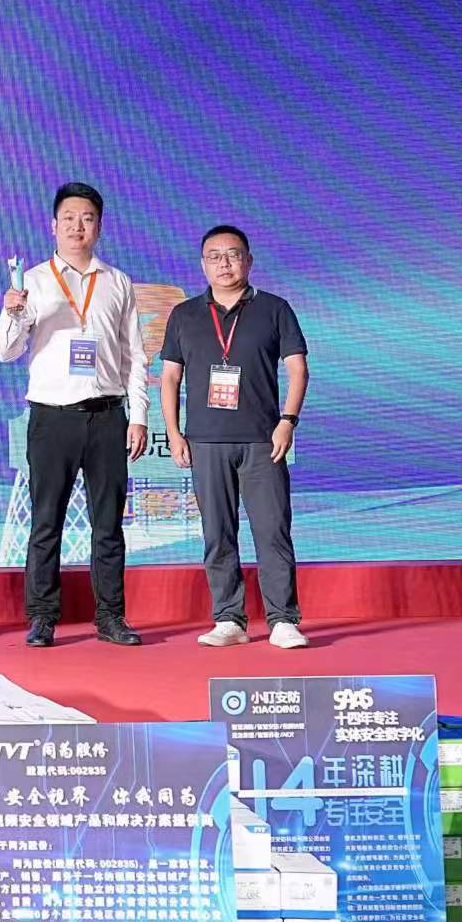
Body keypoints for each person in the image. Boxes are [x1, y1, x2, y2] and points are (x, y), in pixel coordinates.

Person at [0, 182, 149, 648]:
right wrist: (13, 313)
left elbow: (134, 356)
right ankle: (42, 617)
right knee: (46, 523)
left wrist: (138, 416)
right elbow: (5, 351)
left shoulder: (117, 282)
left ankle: (111, 617)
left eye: (87, 218)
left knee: (109, 525)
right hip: (51, 418)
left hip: (106, 416)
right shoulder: (32, 281)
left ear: (99, 226)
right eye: (69, 218)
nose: (77, 226)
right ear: (52, 225)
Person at [159, 225, 309, 649]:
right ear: (202, 264)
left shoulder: (275, 309)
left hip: (263, 440)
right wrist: (174, 433)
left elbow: (298, 368)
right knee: (217, 532)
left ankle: (283, 619)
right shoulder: (184, 314)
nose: (224, 264)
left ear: (249, 260)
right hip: (205, 440)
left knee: (272, 530)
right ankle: (229, 619)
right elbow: (169, 377)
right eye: (215, 256)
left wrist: (288, 420)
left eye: (233, 254)